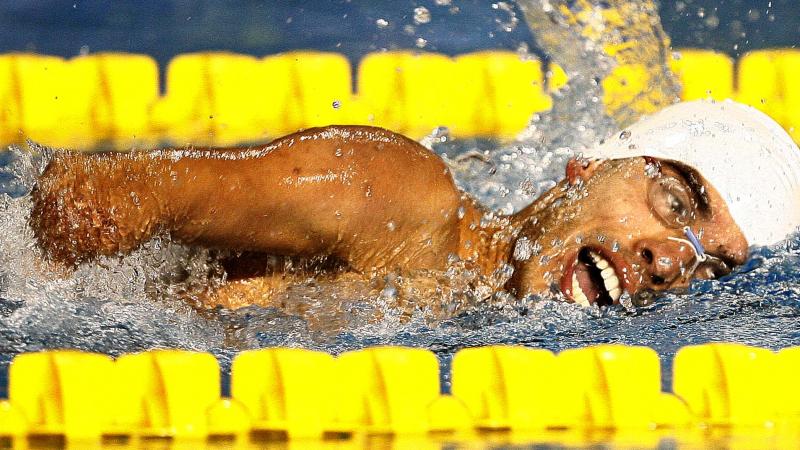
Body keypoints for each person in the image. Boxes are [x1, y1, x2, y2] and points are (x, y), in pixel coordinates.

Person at [28, 100, 800, 310]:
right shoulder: (391, 197)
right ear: (584, 167)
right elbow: (92, 198)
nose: (671, 259)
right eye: (675, 201)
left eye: (711, 266)